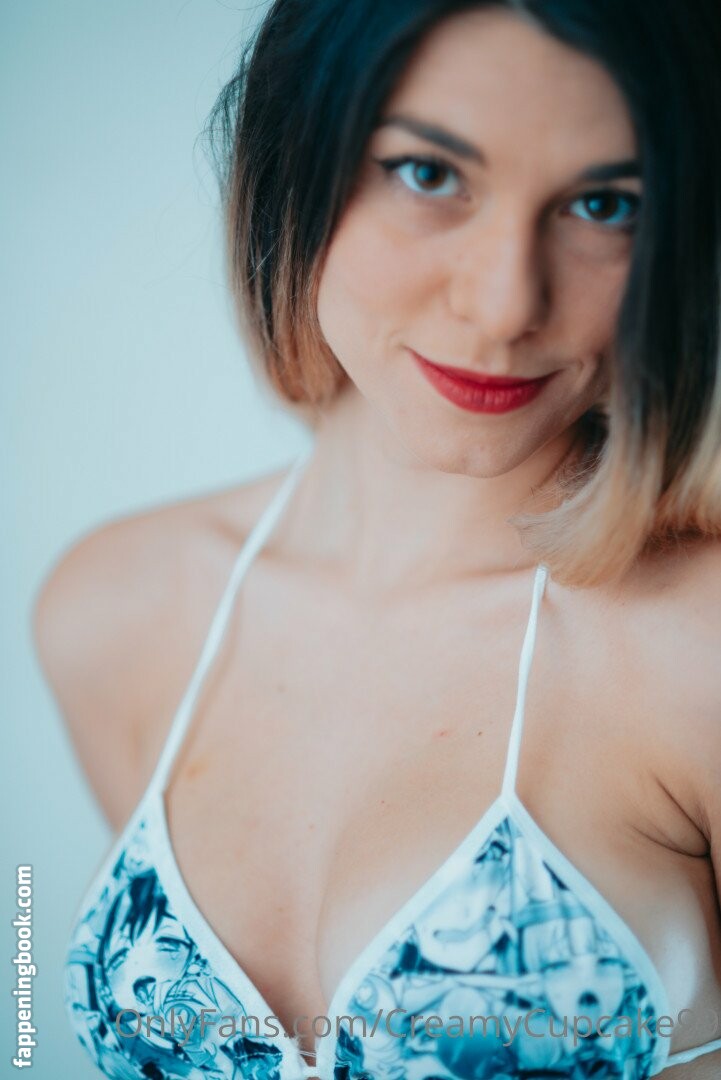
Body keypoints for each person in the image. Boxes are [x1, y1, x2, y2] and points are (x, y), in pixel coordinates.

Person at [33, 1, 721, 1078]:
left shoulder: (696, 652)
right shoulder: (115, 611)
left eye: (603, 204)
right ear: (289, 167)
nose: (503, 303)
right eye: (428, 174)